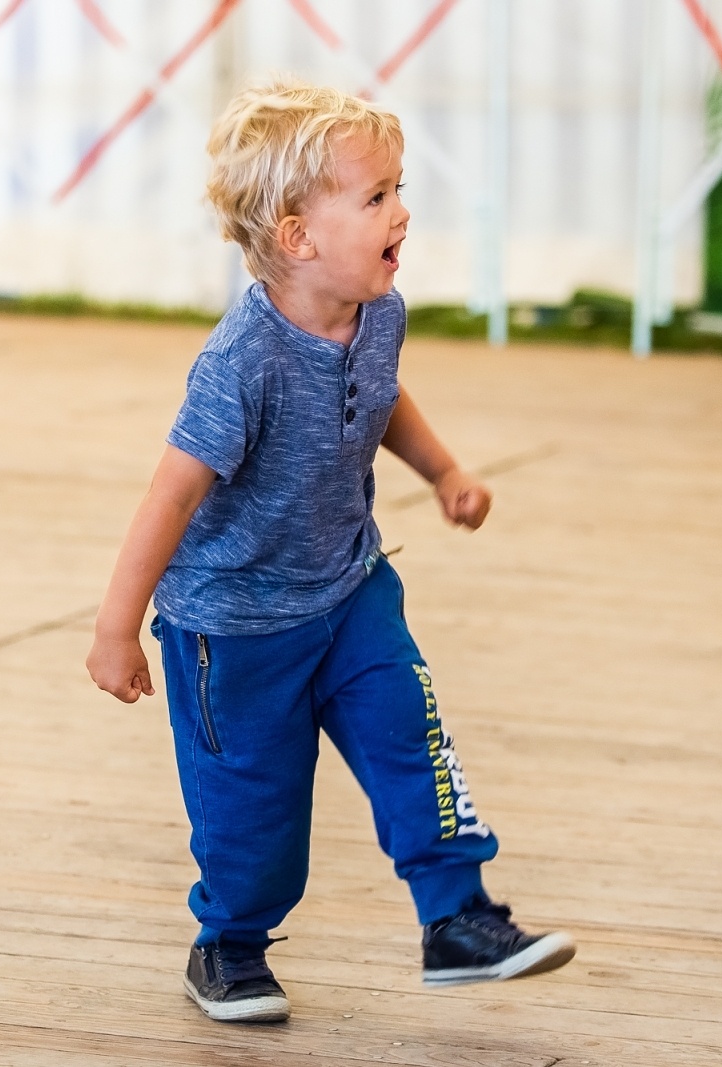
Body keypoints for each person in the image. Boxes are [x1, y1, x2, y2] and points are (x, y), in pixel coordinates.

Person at [85, 79, 574, 1025]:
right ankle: (227, 944)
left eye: (398, 189)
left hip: (351, 591)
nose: (403, 212)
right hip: (235, 628)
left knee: (412, 739)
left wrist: (442, 472)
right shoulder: (243, 361)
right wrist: (115, 628)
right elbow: (172, 492)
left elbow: (381, 396)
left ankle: (458, 921)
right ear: (299, 236)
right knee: (254, 817)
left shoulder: (378, 311)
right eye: (377, 196)